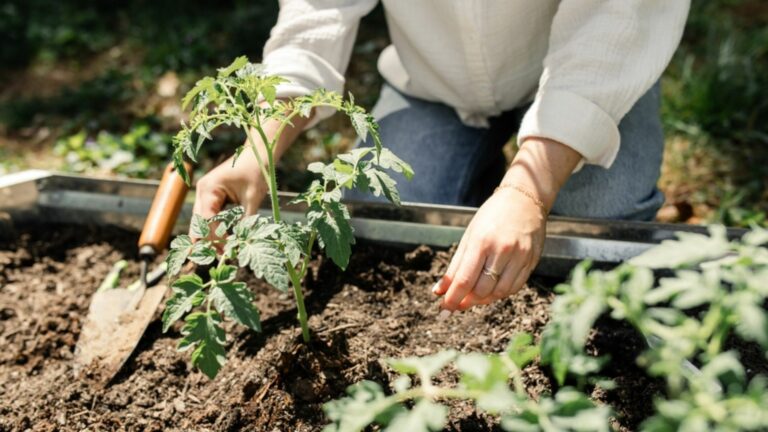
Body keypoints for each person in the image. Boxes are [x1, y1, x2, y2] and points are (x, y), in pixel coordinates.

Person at [191, 1, 691, 313]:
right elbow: (316, 15)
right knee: (383, 229)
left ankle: (508, 190)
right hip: (434, 86)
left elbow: (616, 21)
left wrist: (527, 191)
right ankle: (484, 196)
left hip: (590, 78)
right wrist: (259, 146)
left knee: (597, 236)